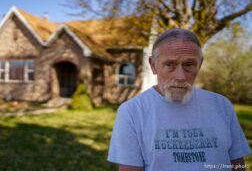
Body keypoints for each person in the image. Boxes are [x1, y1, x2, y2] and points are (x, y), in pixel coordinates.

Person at [107, 28, 251, 171]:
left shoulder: (222, 105)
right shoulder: (132, 112)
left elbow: (237, 164)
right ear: (153, 65)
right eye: (170, 64)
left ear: (199, 65)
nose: (180, 76)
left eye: (189, 65)